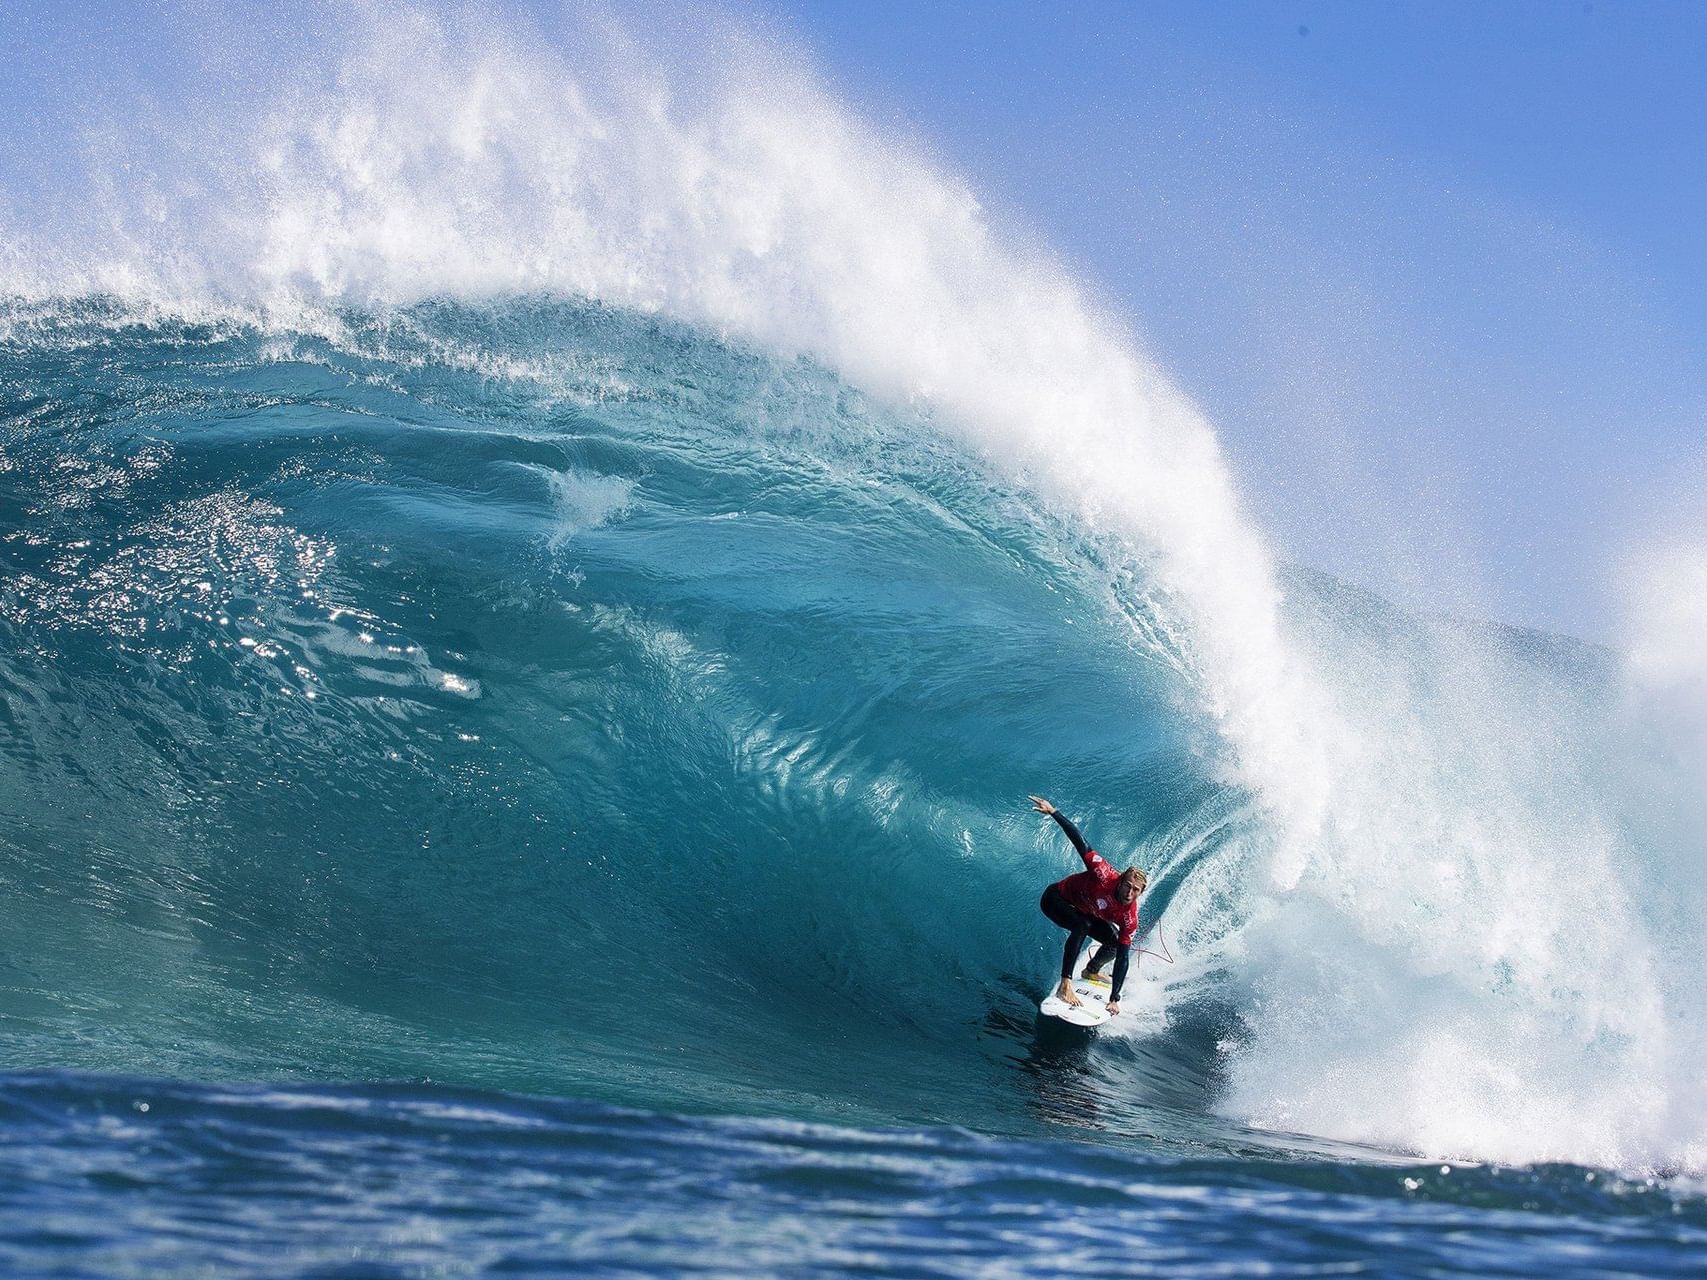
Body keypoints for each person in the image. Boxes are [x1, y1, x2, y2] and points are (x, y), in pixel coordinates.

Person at [1030, 795, 1146, 1016]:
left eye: (1135, 890)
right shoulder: (1103, 874)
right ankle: (1066, 984)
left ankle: (1091, 971)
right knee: (1082, 924)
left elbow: (1123, 957)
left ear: (1140, 892)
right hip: (1055, 899)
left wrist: (1114, 998)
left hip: (1084, 911)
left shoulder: (1129, 917)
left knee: (1114, 942)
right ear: (1120, 881)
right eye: (1127, 886)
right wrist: (1054, 812)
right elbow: (1080, 842)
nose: (1129, 892)